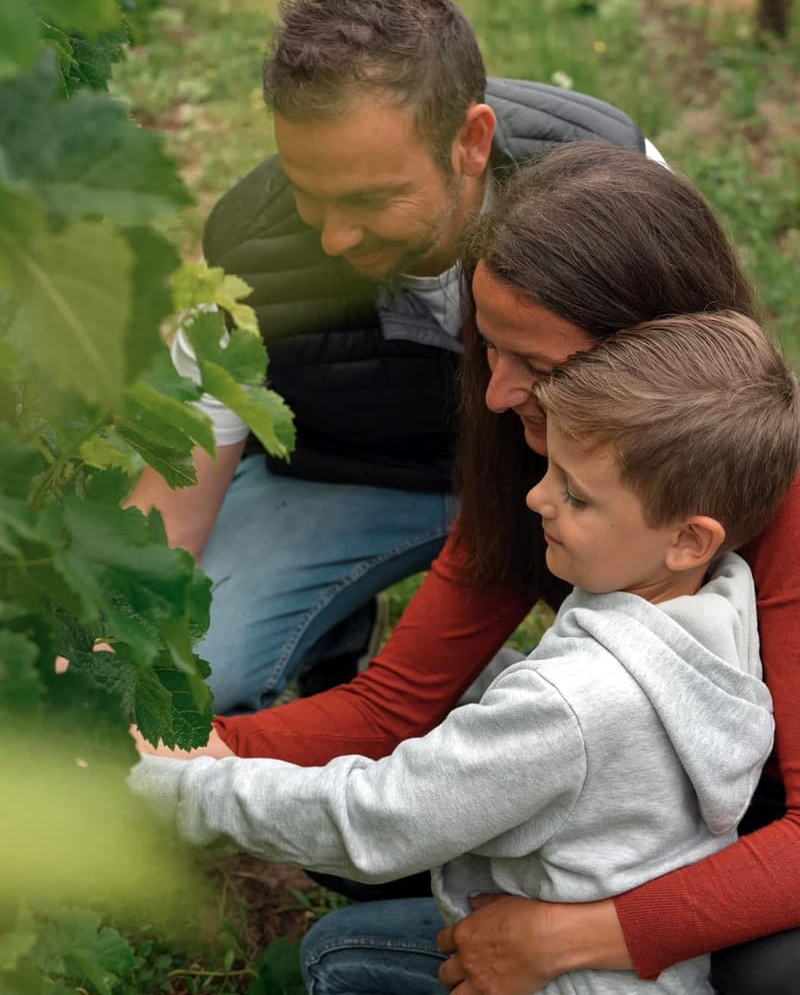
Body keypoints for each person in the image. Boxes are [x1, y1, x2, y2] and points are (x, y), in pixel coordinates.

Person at [137, 143, 800, 994]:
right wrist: (201, 748)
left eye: (541, 367)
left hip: (757, 850)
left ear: (651, 358)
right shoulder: (561, 473)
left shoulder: (764, 511)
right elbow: (400, 702)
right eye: (489, 348)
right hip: (652, 812)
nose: (493, 393)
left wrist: (583, 937)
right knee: (397, 793)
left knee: (770, 971)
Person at [128, 0, 664, 715]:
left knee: (644, 680)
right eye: (308, 194)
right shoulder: (249, 250)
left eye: (371, 199)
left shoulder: (615, 182)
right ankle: (336, 631)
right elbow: (177, 492)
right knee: (199, 667)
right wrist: (112, 634)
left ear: (472, 142)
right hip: (356, 475)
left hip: (562, 477)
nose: (334, 239)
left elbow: (699, 410)